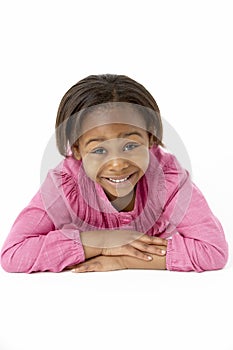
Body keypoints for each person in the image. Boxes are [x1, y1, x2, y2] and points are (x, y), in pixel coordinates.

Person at [0, 74, 228, 273]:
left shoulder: (168, 178)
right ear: (77, 150)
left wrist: (123, 258)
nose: (118, 164)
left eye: (130, 146)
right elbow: (12, 254)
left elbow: (213, 251)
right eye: (99, 150)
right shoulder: (64, 184)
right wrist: (102, 242)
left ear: (150, 138)